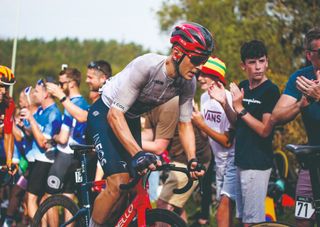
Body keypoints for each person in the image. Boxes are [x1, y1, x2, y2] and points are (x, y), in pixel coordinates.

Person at [86, 22, 214, 226]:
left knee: (130, 191)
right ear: (177, 52)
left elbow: (185, 124)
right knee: (118, 183)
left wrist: (192, 159)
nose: (200, 67)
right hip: (105, 113)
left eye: (204, 61)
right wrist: (138, 153)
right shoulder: (146, 66)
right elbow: (114, 115)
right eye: (197, 59)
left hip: (131, 118)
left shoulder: (188, 82)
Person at [210, 40, 280, 226]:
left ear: (267, 62)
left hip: (257, 164)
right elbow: (237, 122)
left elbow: (265, 130)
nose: (258, 67)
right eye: (252, 62)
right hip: (240, 160)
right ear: (243, 66)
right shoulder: (243, 86)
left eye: (261, 61)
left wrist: (240, 107)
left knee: (252, 221)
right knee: (242, 218)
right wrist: (225, 104)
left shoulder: (271, 91)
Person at [270, 27, 320, 227]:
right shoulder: (301, 79)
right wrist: (301, 103)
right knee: (302, 219)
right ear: (309, 55)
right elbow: (276, 116)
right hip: (312, 163)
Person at [192, 56, 236, 227]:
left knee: (224, 213)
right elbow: (206, 137)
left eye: (205, 74)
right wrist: (196, 122)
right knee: (225, 212)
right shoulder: (204, 98)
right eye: (199, 74)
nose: (200, 78)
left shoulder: (227, 98)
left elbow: (227, 141)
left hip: (233, 159)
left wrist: (202, 125)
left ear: (217, 77)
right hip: (218, 162)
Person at [156, 97, 212, 223]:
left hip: (189, 161)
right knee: (176, 206)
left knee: (163, 205)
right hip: (192, 158)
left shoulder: (170, 104)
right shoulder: (177, 100)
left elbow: (158, 145)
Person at [20, 78, 62, 220]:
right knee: (41, 201)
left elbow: (43, 142)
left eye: (37, 91)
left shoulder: (53, 113)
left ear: (45, 94)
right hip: (37, 160)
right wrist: (24, 126)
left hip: (44, 160)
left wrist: (31, 120)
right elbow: (33, 133)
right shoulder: (42, 112)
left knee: (31, 199)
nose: (34, 94)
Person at [46, 68, 89, 198]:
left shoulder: (70, 105)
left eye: (61, 83)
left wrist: (54, 137)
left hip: (65, 154)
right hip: (78, 157)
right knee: (68, 197)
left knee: (49, 196)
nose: (59, 87)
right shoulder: (84, 103)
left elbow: (63, 138)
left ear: (72, 83)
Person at [141, 97, 179, 204]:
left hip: (183, 159)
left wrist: (129, 142)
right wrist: (126, 138)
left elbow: (159, 148)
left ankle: (152, 197)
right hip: (173, 156)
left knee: (162, 204)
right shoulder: (151, 107)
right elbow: (149, 135)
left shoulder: (167, 108)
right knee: (176, 206)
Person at [46, 60, 111, 122]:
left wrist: (60, 95)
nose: (86, 81)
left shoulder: (108, 98)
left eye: (90, 77)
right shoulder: (102, 99)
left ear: (103, 78)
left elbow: (83, 117)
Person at [0, 65, 16, 172]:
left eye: (7, 87)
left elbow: (8, 134)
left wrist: (9, 160)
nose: (4, 91)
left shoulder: (9, 104)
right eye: (1, 86)